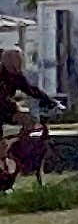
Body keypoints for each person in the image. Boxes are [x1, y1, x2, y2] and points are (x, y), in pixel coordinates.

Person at [0, 44, 57, 189]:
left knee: (28, 121)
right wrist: (15, 107)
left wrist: (49, 101)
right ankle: (12, 161)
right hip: (2, 108)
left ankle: (18, 155)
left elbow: (30, 89)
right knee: (25, 121)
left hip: (4, 110)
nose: (19, 64)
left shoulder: (15, 76)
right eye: (17, 61)